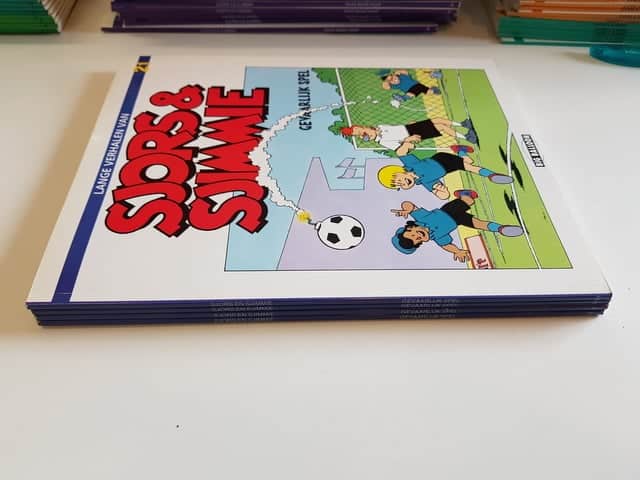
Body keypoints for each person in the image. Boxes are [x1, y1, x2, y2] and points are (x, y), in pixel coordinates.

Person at [391, 191, 524, 261]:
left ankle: (464, 194)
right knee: (479, 224)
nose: (417, 236)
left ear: (410, 227)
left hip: (448, 210)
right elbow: (446, 245)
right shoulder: (437, 237)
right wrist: (457, 251)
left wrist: (406, 209)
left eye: (412, 234)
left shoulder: (421, 218)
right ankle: (501, 229)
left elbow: (408, 204)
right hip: (458, 220)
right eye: (417, 240)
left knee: (469, 200)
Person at [378, 151, 513, 200]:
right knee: (467, 163)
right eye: (400, 186)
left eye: (399, 180)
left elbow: (401, 153)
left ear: (399, 171)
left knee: (469, 166)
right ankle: (461, 152)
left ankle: (491, 175)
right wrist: (443, 192)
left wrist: (407, 143)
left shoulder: (411, 164)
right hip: (447, 169)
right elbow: (442, 196)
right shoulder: (425, 182)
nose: (403, 184)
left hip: (441, 159)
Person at [341, 118, 477, 156]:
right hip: (411, 134)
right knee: (440, 127)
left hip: (409, 128)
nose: (363, 133)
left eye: (359, 129)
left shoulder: (379, 127)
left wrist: (409, 124)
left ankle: (463, 124)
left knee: (437, 120)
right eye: (358, 133)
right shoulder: (382, 141)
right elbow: (399, 149)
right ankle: (467, 137)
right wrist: (408, 140)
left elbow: (396, 129)